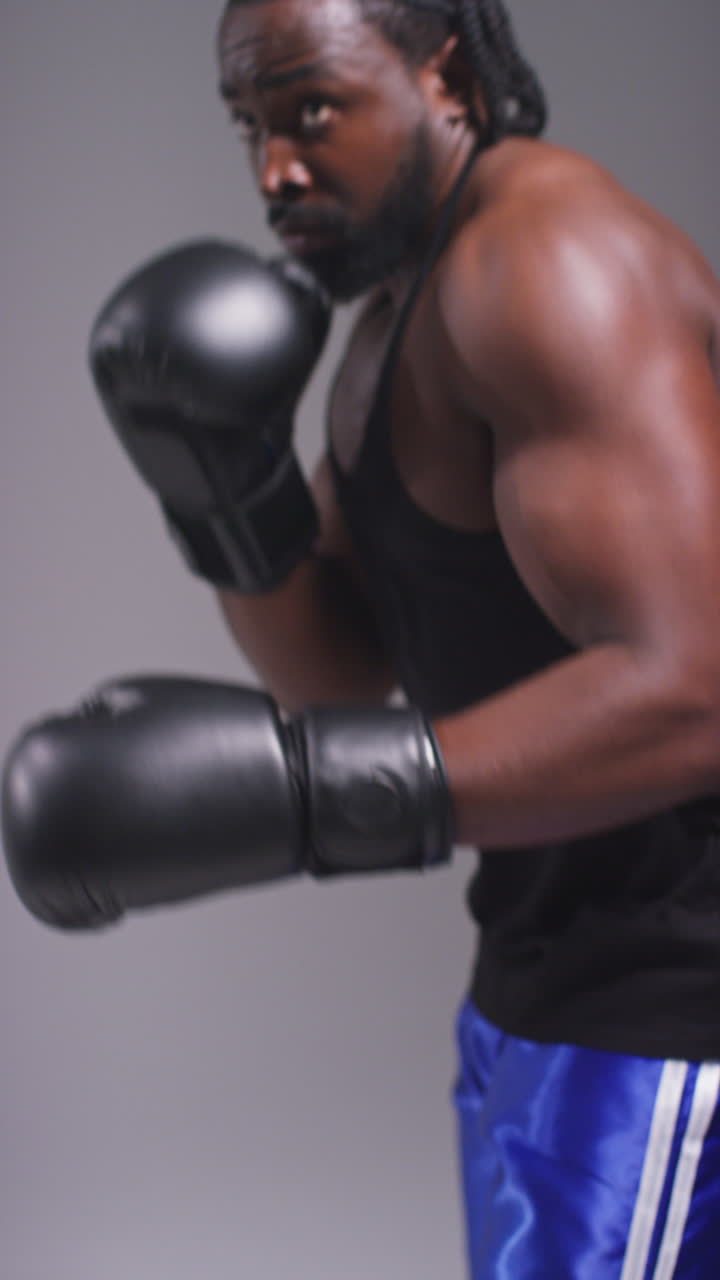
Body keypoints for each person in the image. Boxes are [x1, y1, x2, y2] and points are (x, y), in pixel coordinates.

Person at [3, 0, 720, 1273]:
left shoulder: (550, 265)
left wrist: (312, 803)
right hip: (538, 985)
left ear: (442, 71)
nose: (274, 167)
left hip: (671, 1011)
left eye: (310, 110)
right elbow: (341, 665)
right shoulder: (403, 303)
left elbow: (699, 690)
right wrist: (228, 501)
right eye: (250, 124)